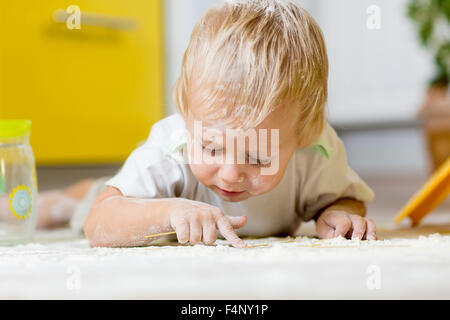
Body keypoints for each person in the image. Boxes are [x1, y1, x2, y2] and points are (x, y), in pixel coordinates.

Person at [39, 0, 376, 248]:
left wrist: (340, 213)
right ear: (186, 111)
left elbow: (344, 198)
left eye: (257, 157)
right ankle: (65, 197)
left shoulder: (317, 150)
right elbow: (99, 222)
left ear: (305, 133)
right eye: (211, 147)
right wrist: (169, 212)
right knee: (80, 203)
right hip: (142, 197)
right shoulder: (170, 150)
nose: (230, 173)